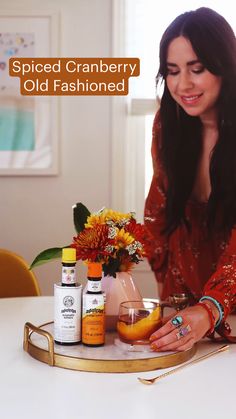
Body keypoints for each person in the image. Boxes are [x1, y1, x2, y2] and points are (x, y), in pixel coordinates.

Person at [144, 7, 236, 351]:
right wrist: (172, 299)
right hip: (186, 307)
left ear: (224, 66)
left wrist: (210, 308)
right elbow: (158, 213)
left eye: (196, 69)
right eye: (172, 71)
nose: (183, 85)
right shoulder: (167, 126)